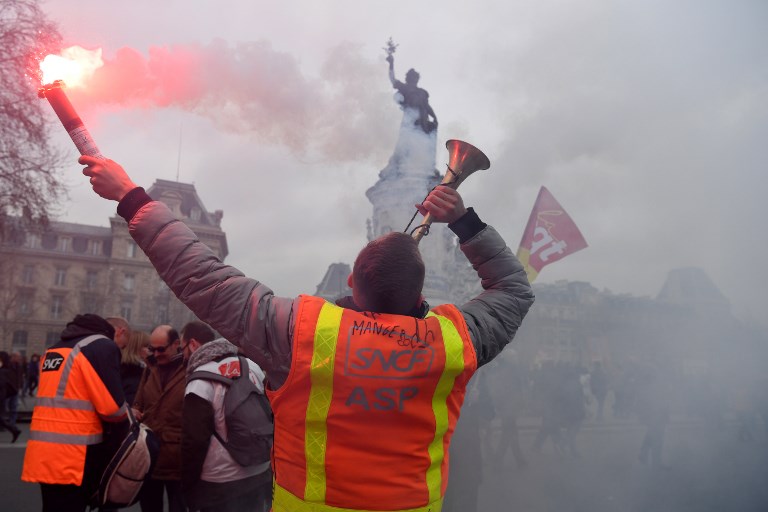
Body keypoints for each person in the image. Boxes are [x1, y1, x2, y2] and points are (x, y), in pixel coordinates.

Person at [80, 154, 534, 512]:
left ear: (352, 284)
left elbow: (202, 277)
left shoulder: (302, 332)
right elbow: (513, 289)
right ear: (420, 298)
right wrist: (464, 222)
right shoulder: (454, 343)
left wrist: (130, 196)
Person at [21, 314, 129, 512]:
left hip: (43, 452)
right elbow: (113, 410)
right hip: (76, 455)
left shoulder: (54, 349)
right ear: (116, 332)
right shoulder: (102, 346)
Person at [181, 321, 273, 512]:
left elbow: (194, 441)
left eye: (182, 348)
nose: (182, 354)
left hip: (220, 482)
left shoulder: (199, 381)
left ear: (192, 345)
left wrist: (188, 486)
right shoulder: (251, 366)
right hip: (259, 470)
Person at [132, 325, 187, 512]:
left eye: (161, 349)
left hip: (177, 458)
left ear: (176, 344)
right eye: (152, 349)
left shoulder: (189, 369)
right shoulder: (150, 369)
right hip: (149, 456)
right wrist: (134, 410)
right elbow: (138, 402)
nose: (155, 354)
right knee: (149, 507)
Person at [386, 53, 438, 134]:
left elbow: (427, 106)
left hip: (423, 120)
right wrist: (391, 64)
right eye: (412, 76)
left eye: (416, 76)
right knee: (408, 140)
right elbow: (392, 78)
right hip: (409, 118)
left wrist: (434, 117)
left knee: (422, 140)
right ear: (408, 77)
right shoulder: (404, 87)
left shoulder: (422, 92)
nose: (414, 78)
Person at [121, 330, 150, 406]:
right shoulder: (136, 374)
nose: (151, 351)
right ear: (137, 348)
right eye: (148, 347)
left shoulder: (122, 369)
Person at [0, 351, 22, 443]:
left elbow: (1, 384)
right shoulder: (5, 369)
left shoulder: (3, 371)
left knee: (3, 417)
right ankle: (14, 430)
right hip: (2, 396)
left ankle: (14, 430)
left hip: (1, 397)